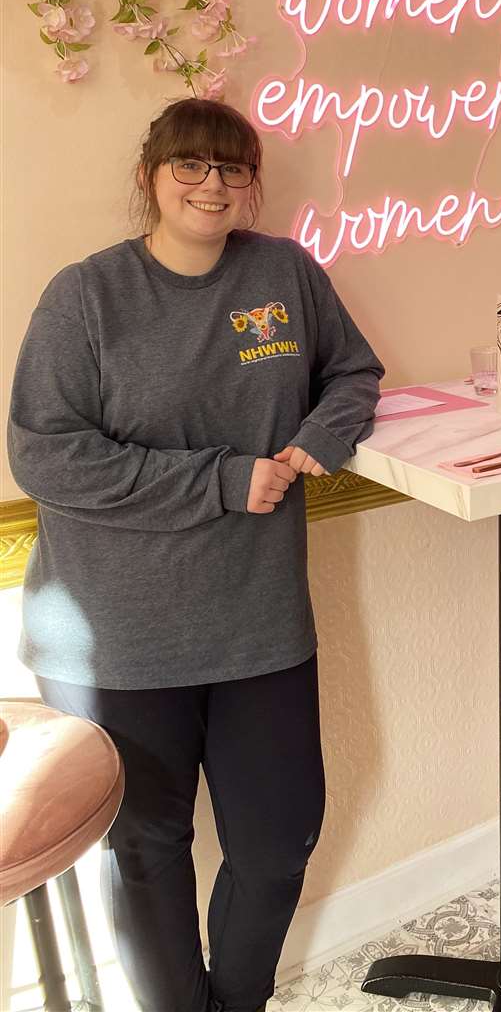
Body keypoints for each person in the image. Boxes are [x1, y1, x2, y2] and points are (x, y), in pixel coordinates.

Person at [8, 98, 385, 1012]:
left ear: (250, 184)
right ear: (151, 177)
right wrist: (218, 481)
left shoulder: (285, 273)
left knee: (279, 835)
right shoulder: (87, 294)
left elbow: (355, 372)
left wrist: (321, 439)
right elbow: (44, 454)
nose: (212, 185)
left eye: (231, 169)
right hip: (119, 636)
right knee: (146, 847)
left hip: (257, 619)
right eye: (192, 165)